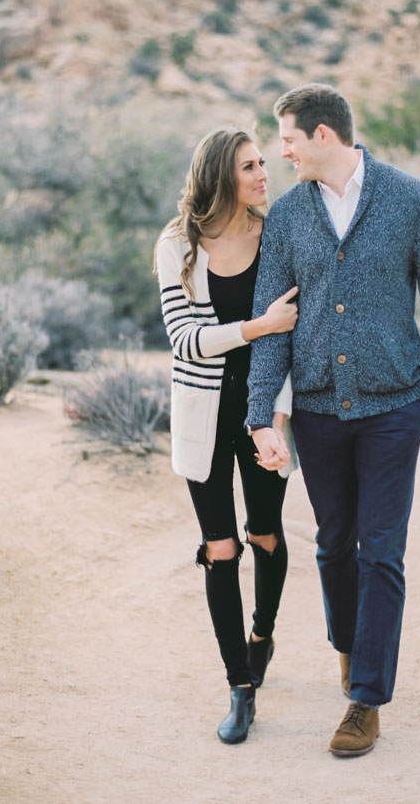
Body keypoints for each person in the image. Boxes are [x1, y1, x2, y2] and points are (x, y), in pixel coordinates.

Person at [245, 84, 420, 757]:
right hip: (316, 412)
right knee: (334, 545)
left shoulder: (411, 201)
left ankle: (365, 698)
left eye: (287, 139)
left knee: (382, 552)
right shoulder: (286, 217)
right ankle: (349, 645)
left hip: (396, 410)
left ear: (323, 136)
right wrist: (262, 417)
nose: (280, 152)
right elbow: (274, 327)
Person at [154, 127, 299, 745]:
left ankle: (261, 634)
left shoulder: (277, 236)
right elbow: (184, 338)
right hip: (203, 416)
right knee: (220, 548)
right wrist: (254, 326)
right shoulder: (176, 243)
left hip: (262, 411)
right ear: (221, 175)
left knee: (264, 533)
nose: (263, 174)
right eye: (249, 166)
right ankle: (240, 688)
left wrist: (279, 420)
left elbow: (292, 336)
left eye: (264, 162)